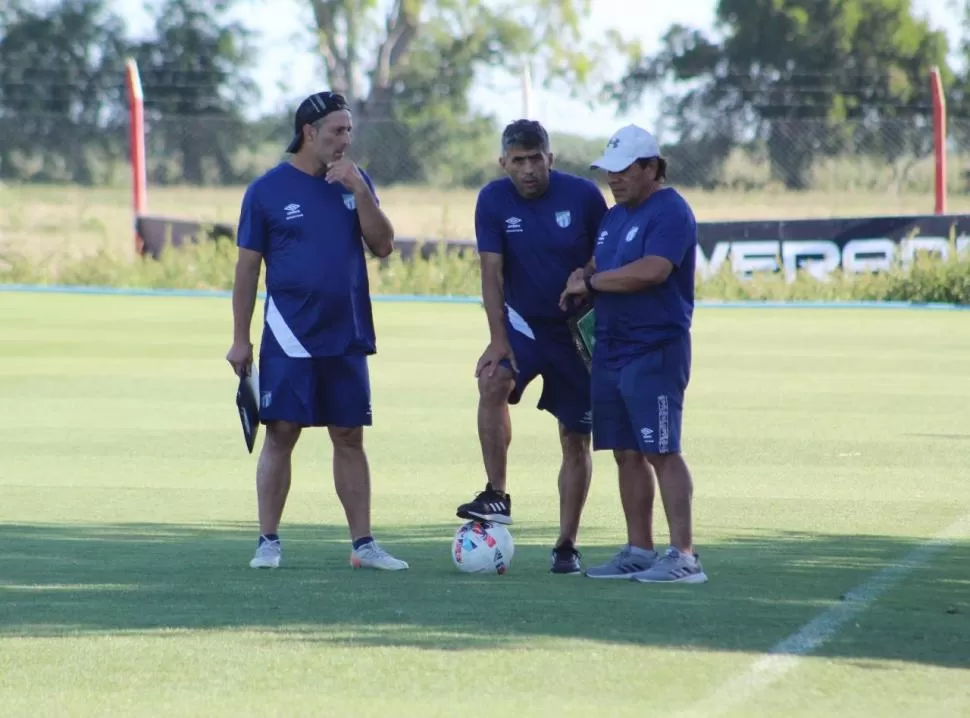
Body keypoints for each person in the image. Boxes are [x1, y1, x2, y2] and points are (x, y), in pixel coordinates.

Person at [226, 91, 409, 572]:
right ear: (310, 133)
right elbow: (247, 271)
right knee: (281, 432)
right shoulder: (266, 191)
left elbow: (384, 245)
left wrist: (360, 191)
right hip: (289, 336)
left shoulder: (354, 180)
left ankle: (364, 545)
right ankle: (268, 541)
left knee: (349, 435)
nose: (345, 140)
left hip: (346, 332)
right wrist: (240, 337)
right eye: (337, 131)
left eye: (349, 130)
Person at [455, 119, 609, 574]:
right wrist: (499, 338)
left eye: (535, 159)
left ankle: (566, 544)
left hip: (576, 332)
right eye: (517, 161)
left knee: (575, 438)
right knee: (492, 380)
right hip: (522, 326)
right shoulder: (492, 200)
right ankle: (497, 494)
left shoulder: (582, 196)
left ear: (550, 159)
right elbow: (491, 272)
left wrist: (585, 273)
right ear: (504, 163)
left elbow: (608, 250)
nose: (528, 170)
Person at [559, 124, 708, 583]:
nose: (614, 179)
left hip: (655, 349)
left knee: (662, 450)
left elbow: (653, 270)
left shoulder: (671, 211)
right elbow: (600, 264)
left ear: (651, 168)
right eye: (609, 171)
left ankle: (684, 556)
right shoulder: (615, 216)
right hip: (612, 350)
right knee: (626, 452)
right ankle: (638, 550)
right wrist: (580, 275)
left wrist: (595, 282)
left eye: (623, 171)